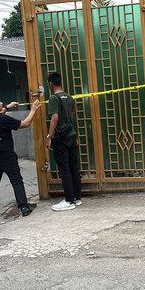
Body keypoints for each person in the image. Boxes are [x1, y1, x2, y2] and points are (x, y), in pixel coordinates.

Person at [0, 94, 40, 218]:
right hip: (6, 155)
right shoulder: (3, 119)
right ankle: (23, 207)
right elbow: (25, 124)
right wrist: (33, 110)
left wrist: (8, 107)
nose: (2, 103)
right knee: (16, 180)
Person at [45, 72, 82, 212]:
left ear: (51, 84)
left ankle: (68, 200)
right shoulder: (69, 97)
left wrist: (49, 136)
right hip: (71, 135)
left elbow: (55, 118)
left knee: (64, 169)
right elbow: (71, 116)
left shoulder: (53, 98)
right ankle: (77, 197)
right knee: (73, 167)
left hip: (61, 138)